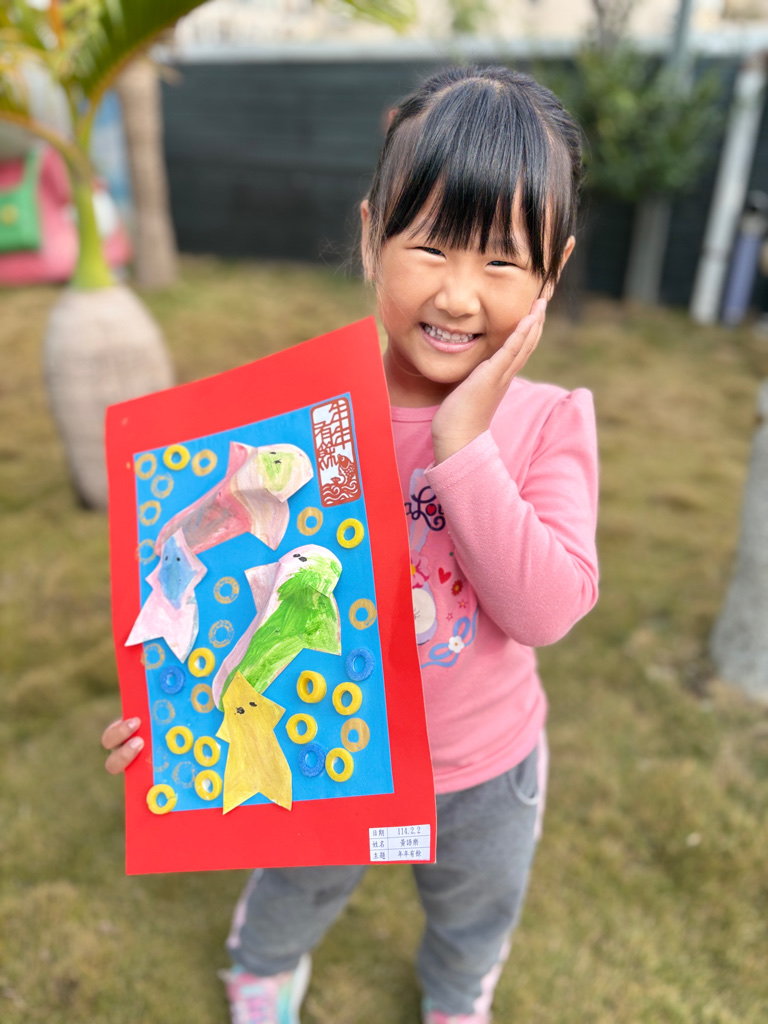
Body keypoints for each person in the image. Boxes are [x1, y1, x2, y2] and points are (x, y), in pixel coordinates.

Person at [102, 65, 599, 1024]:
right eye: (431, 247)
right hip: (333, 753)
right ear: (373, 237)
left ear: (553, 271)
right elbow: (218, 576)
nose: (459, 295)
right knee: (297, 884)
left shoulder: (548, 422)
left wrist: (463, 444)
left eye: (502, 263)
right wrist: (161, 707)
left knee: (476, 909)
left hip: (488, 766)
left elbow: (545, 610)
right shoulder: (304, 425)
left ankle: (457, 995)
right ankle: (261, 966)